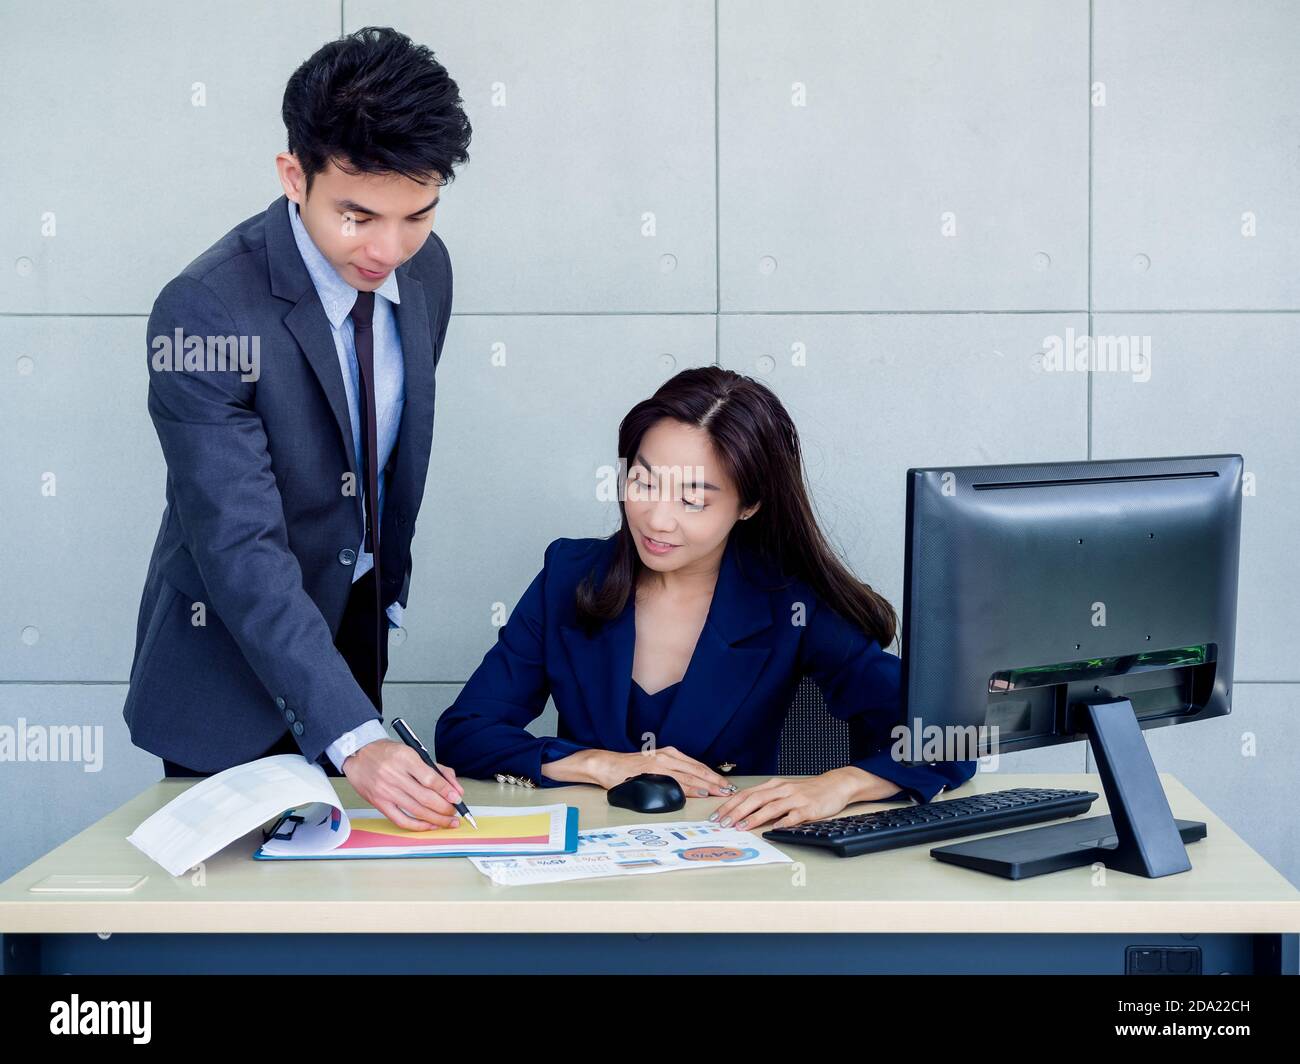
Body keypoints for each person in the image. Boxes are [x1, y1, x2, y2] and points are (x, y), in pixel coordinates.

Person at [123, 27, 471, 831]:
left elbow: (379, 461)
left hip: (352, 643)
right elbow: (237, 542)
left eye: (417, 214)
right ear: (293, 176)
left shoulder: (428, 268)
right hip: (227, 673)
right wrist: (353, 735)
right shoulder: (206, 310)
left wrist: (373, 629)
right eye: (358, 216)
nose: (389, 249)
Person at [435, 367, 977, 831]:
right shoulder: (570, 575)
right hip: (589, 861)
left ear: (749, 505)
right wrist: (599, 764)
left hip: (731, 861)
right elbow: (465, 732)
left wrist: (839, 785)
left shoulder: (791, 602)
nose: (657, 518)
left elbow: (946, 740)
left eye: (693, 499)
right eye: (643, 483)